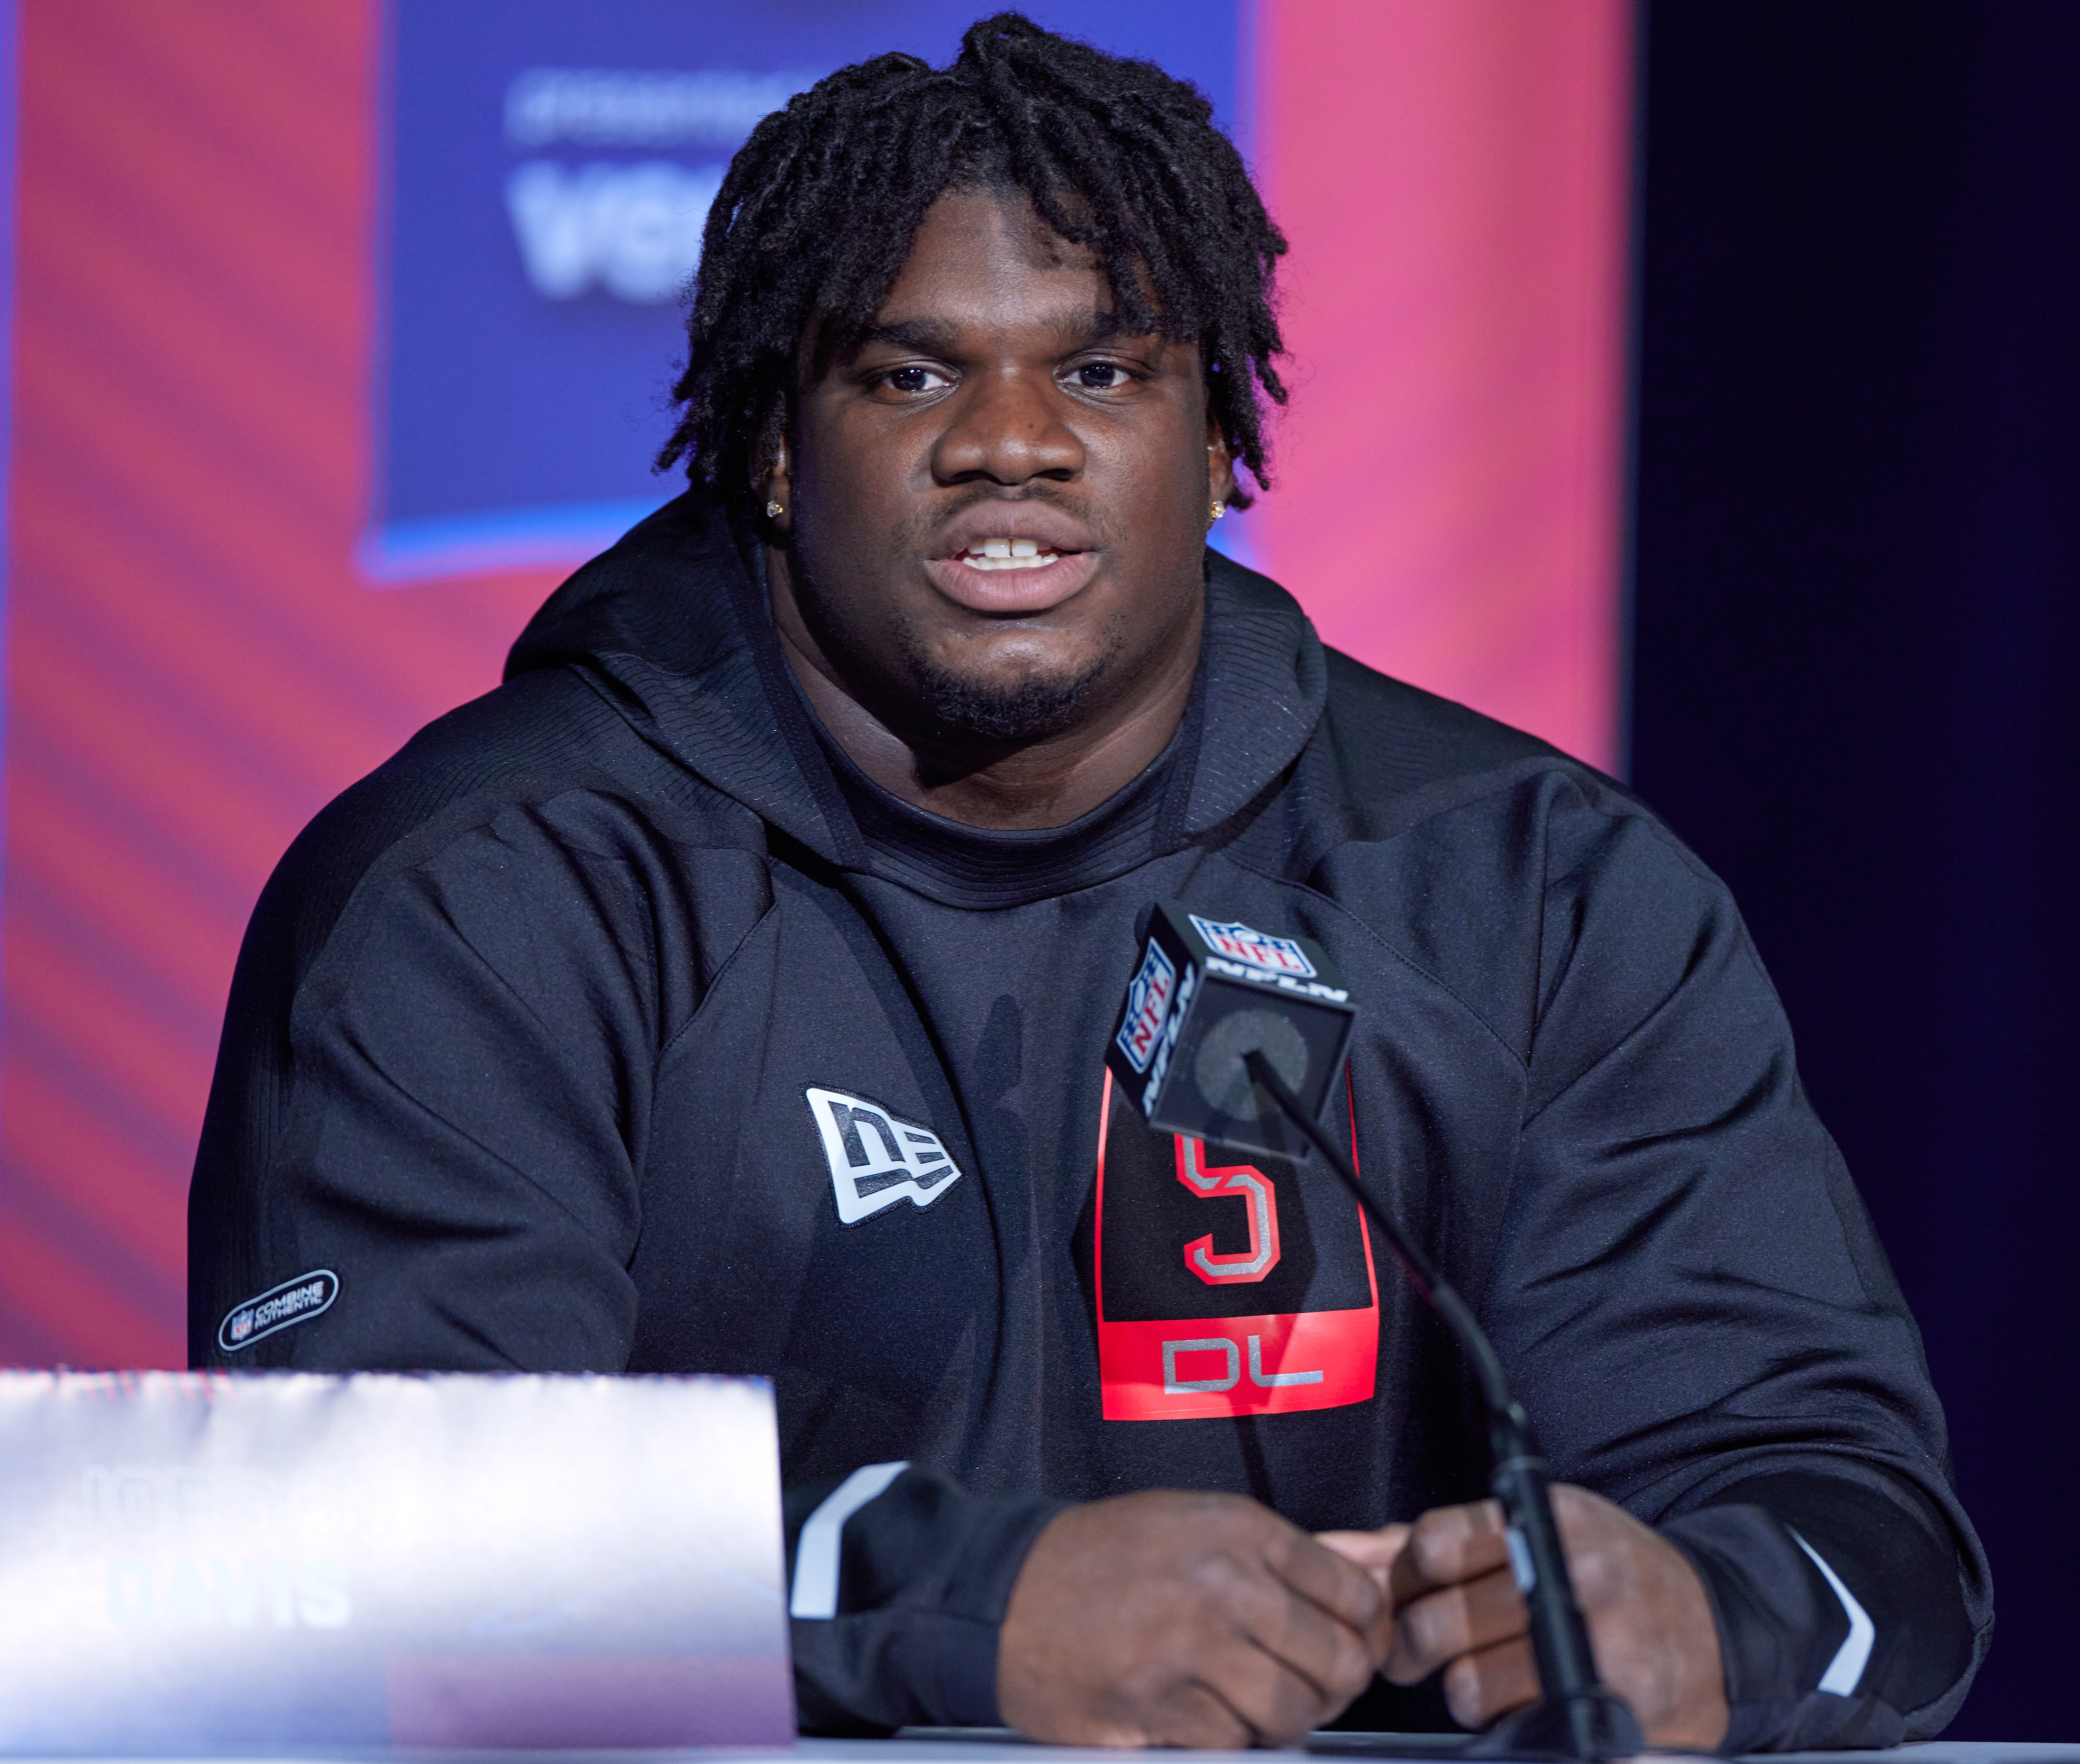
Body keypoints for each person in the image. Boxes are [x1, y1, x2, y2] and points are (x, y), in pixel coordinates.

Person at [189, 14, 1989, 1751]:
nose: (1013, 441)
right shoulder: (491, 890)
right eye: (908, 374)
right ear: (769, 445)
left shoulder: (1531, 890)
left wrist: (1699, 1616)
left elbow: (1864, 1533)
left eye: (1106, 370)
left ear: (1218, 444)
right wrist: (977, 1604)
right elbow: (379, 1521)